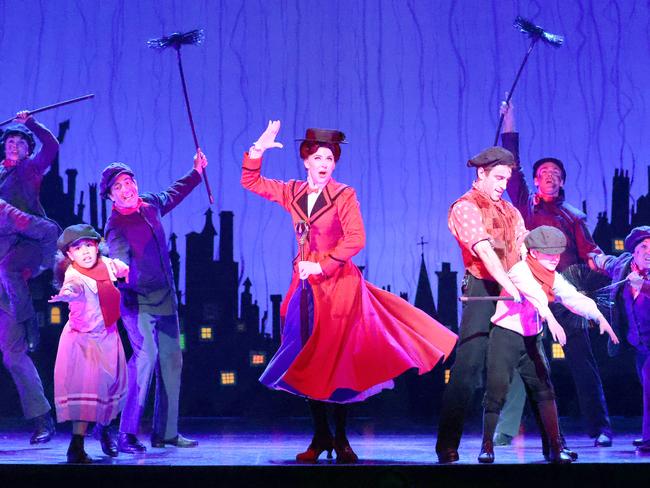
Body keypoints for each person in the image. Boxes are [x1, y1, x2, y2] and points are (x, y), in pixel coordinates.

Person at [242, 121, 457, 464]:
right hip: (305, 290)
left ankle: (341, 438)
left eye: (331, 157)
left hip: (339, 288)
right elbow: (251, 181)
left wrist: (321, 265)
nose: (326, 163)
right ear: (306, 161)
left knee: (338, 362)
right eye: (319, 157)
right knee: (306, 360)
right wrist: (259, 149)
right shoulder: (292, 192)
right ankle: (320, 435)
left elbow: (355, 238)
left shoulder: (344, 195)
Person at [498, 100, 614, 447]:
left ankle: (601, 428)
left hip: (564, 295)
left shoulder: (573, 216)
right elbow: (511, 164)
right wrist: (509, 123)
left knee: (582, 362)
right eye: (544, 174)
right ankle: (505, 429)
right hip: (530, 296)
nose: (549, 178)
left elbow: (591, 251)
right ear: (536, 180)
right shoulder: (522, 205)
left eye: (556, 175)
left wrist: (608, 262)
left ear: (562, 182)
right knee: (526, 360)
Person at [478, 225, 618, 464]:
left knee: (545, 389)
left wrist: (599, 316)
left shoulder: (552, 275)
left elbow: (571, 296)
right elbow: (535, 295)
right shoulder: (520, 270)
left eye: (557, 253)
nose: (555, 258)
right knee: (497, 389)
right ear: (533, 253)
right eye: (548, 253)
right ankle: (487, 445)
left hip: (532, 336)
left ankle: (555, 447)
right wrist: (551, 319)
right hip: (506, 335)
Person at [101, 149, 207, 453]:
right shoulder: (115, 226)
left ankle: (166, 433)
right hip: (137, 303)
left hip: (166, 299)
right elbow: (118, 253)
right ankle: (124, 432)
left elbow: (173, 193)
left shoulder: (150, 205)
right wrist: (119, 267)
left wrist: (196, 172)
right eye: (117, 187)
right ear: (110, 196)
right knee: (146, 358)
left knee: (172, 362)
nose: (126, 189)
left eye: (127, 182)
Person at [435, 145, 526, 464]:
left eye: (507, 178)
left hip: (513, 286)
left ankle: (554, 443)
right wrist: (508, 286)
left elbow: (521, 250)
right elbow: (485, 252)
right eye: (498, 177)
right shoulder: (465, 206)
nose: (503, 184)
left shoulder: (511, 211)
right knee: (469, 367)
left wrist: (529, 284)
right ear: (481, 175)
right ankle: (447, 443)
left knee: (531, 362)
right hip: (483, 288)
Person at [0, 111, 60, 444]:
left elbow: (51, 146)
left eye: (21, 141)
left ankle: (42, 420)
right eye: (9, 140)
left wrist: (32, 123)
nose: (14, 144)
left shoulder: (30, 169)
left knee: (13, 354)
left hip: (17, 251)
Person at [49, 224, 129, 463]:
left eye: (89, 245)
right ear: (69, 254)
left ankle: (104, 429)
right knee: (85, 392)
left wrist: (123, 269)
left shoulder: (105, 264)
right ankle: (76, 445)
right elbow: (72, 288)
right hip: (83, 342)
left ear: (97, 247)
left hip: (107, 337)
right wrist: (67, 295)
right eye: (78, 248)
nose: (85, 252)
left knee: (110, 387)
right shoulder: (74, 274)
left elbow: (119, 268)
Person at [591, 226, 650, 452]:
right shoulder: (623, 266)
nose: (649, 252)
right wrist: (592, 257)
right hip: (639, 346)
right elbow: (605, 262)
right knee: (646, 386)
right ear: (633, 252)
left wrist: (643, 286)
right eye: (643, 247)